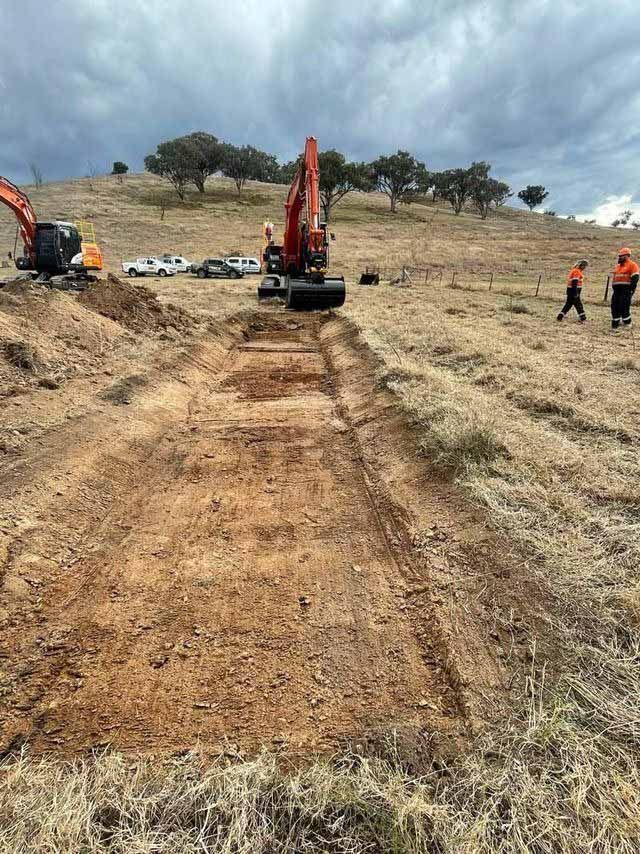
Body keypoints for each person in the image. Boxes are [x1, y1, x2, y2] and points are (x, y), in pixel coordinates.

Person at [611, 248, 640, 329]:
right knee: (614, 306)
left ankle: (627, 323)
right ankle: (615, 323)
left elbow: (635, 278)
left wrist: (631, 290)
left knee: (624, 306)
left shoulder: (632, 265)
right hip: (617, 290)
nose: (619, 257)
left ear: (627, 256)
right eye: (619, 256)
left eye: (621, 256)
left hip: (626, 290)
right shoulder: (618, 266)